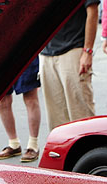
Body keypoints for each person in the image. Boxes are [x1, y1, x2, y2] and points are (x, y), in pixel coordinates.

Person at [39, 0, 100, 130]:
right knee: (56, 118)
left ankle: (86, 149)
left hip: (73, 49)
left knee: (81, 114)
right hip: (46, 53)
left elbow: (93, 11)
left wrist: (88, 51)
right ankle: (62, 150)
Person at [0, 58, 42, 162]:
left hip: (23, 51)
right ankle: (14, 144)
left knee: (30, 98)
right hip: (1, 54)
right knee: (2, 100)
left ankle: (33, 145)